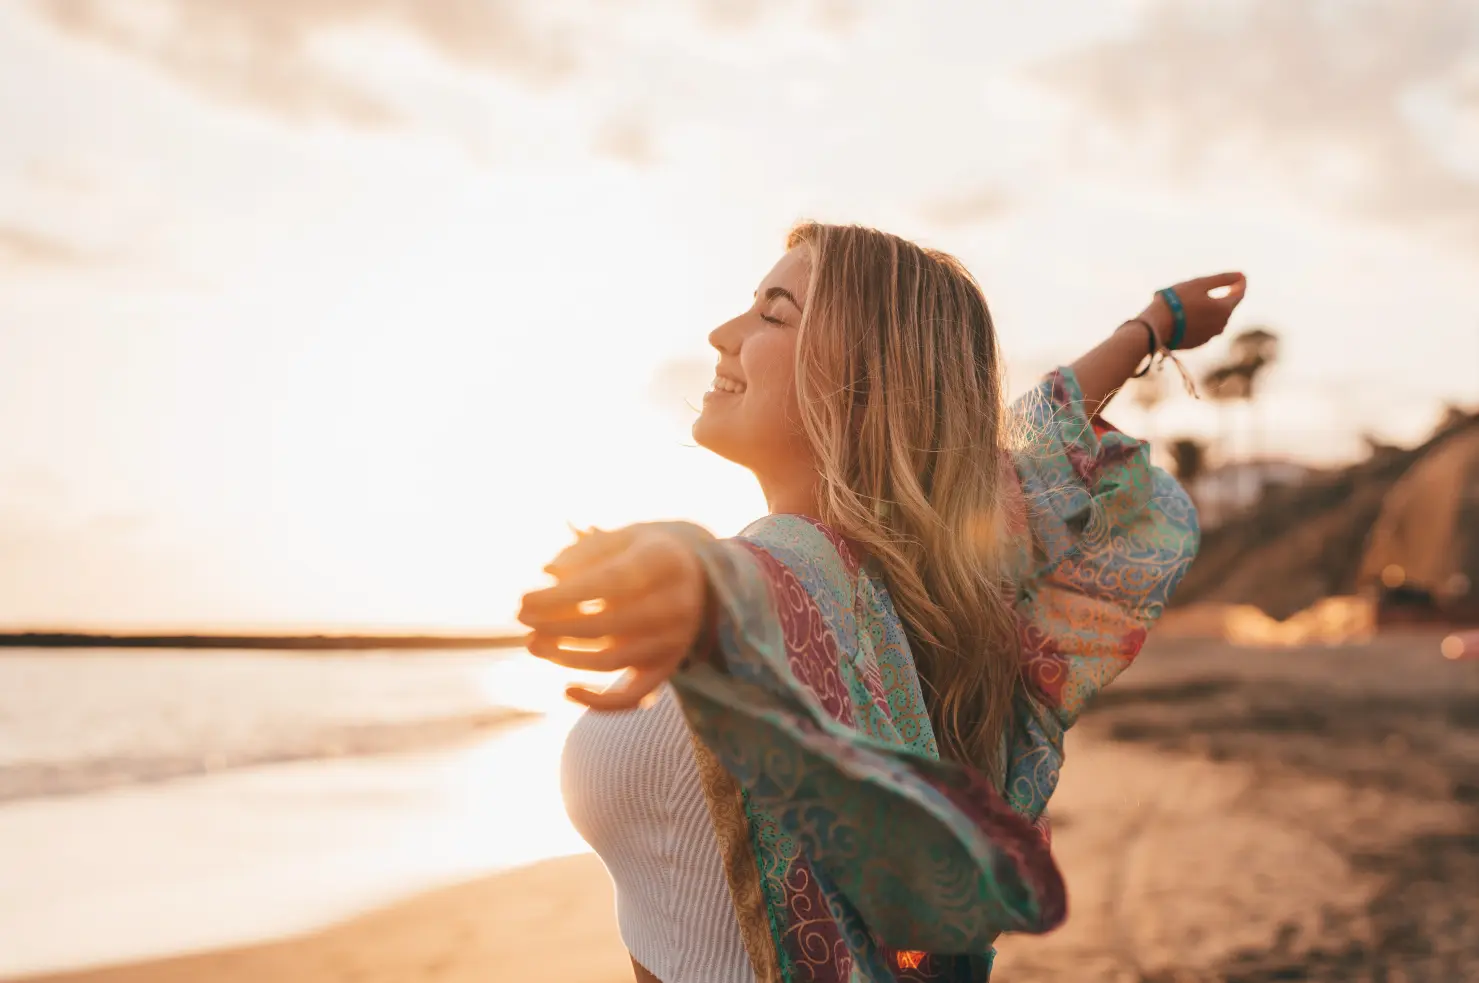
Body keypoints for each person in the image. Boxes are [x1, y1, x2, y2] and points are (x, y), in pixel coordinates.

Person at [519, 222, 1246, 983]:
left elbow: (753, 594)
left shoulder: (791, 585)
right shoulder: (928, 580)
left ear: (867, 379)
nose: (721, 332)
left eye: (772, 314)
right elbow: (1042, 444)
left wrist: (690, 575)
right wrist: (1151, 325)